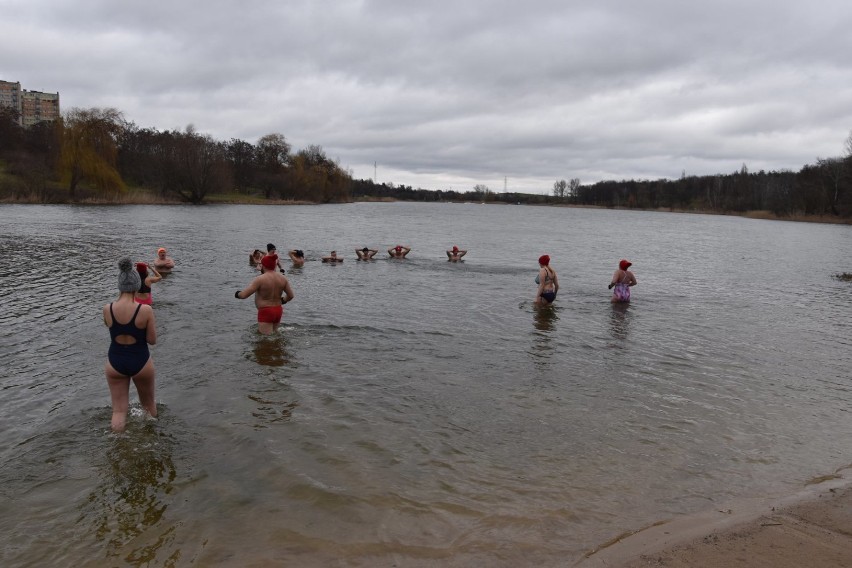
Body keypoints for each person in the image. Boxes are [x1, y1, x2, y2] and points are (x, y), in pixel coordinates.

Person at [103, 258, 157, 432]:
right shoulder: (145, 310)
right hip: (140, 360)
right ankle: (150, 436)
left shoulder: (107, 308)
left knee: (118, 410)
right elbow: (152, 340)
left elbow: (110, 327)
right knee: (148, 405)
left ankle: (118, 442)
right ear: (136, 285)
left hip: (115, 361)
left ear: (120, 286)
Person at [235, 254, 295, 335]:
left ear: (263, 265)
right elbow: (291, 296)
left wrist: (237, 294)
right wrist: (283, 300)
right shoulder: (283, 278)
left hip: (265, 311)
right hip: (278, 310)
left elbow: (244, 295)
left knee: (265, 341)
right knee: (274, 336)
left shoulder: (260, 279)